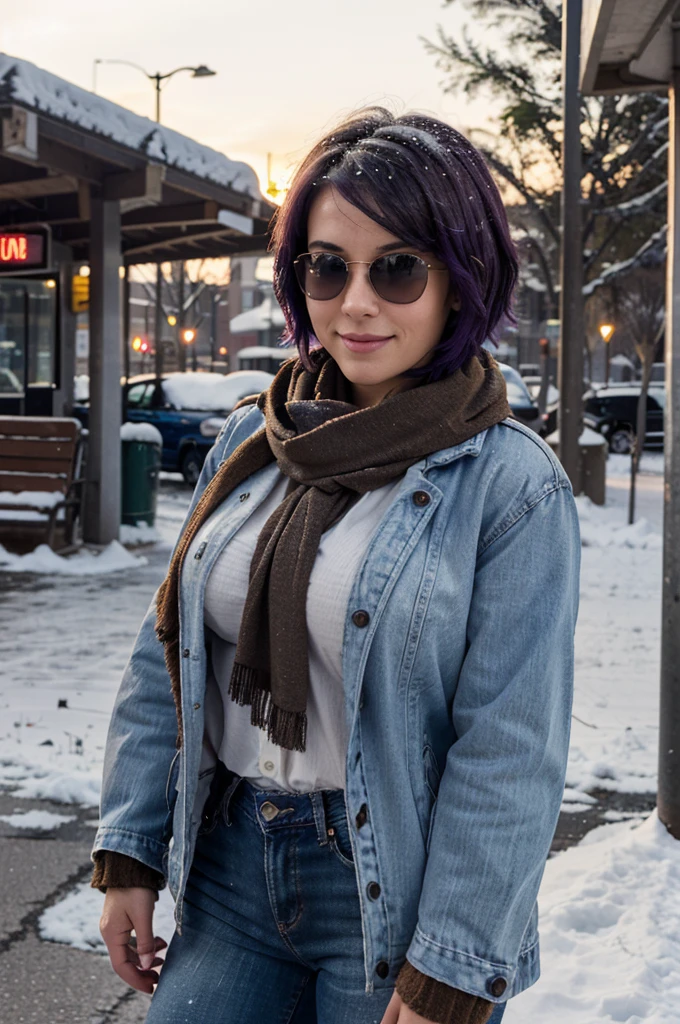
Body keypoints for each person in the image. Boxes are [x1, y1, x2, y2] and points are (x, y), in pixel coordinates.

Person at [91, 107, 580, 1024]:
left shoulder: (511, 486)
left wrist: (452, 966)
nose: (356, 302)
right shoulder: (253, 440)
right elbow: (170, 654)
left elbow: (510, 749)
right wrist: (132, 849)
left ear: (460, 278)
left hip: (392, 893)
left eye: (396, 269)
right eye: (328, 266)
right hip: (234, 866)